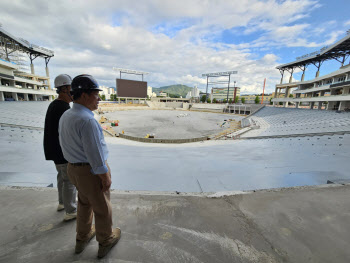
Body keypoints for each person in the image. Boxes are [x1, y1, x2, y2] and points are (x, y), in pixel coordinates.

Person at [59, 74, 121, 258]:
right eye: (96, 94)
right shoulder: (87, 121)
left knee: (84, 203)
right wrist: (104, 176)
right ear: (84, 95)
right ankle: (105, 240)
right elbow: (95, 154)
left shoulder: (67, 114)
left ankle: (82, 237)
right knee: (102, 207)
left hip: (73, 168)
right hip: (90, 171)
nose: (99, 98)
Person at [43, 74, 77, 221]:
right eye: (71, 88)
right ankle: (71, 210)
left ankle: (62, 203)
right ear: (64, 89)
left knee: (61, 178)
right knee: (69, 180)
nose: (73, 92)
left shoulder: (54, 105)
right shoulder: (63, 108)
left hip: (54, 150)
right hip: (62, 151)